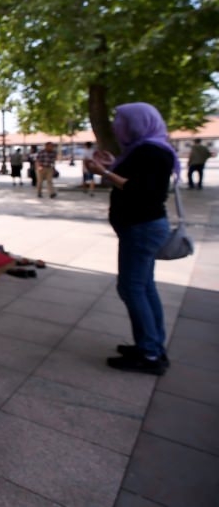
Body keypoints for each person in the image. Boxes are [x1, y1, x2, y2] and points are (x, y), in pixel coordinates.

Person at [84, 102, 178, 375]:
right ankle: (151, 346)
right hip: (141, 227)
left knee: (132, 288)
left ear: (137, 123)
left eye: (120, 121)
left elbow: (140, 188)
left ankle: (149, 354)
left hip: (142, 227)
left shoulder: (151, 151)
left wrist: (104, 173)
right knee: (144, 287)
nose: (115, 125)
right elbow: (138, 177)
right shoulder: (147, 149)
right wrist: (113, 164)